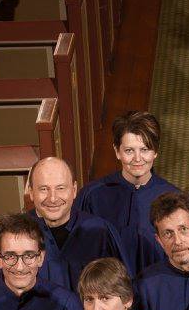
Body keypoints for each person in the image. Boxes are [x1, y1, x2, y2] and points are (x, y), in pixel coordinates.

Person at [72, 111, 181, 275]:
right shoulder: (92, 196)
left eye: (145, 149)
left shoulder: (175, 198)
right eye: (129, 150)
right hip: (107, 293)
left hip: (158, 290)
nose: (138, 158)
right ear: (117, 151)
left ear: (155, 152)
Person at [24, 155, 124, 292]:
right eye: (43, 189)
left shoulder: (101, 232)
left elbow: (121, 291)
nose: (52, 198)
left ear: (74, 190)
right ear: (31, 192)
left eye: (60, 188)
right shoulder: (15, 234)